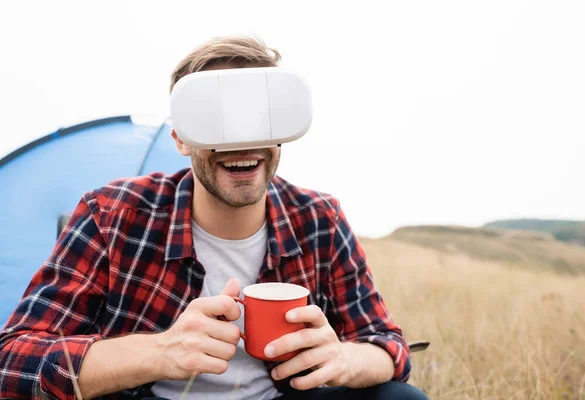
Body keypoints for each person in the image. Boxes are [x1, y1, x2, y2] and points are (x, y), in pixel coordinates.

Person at [0, 35, 428, 400]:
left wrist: (343, 358)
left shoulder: (319, 218)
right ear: (181, 140)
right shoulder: (112, 215)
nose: (241, 144)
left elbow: (390, 347)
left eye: (259, 120)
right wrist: (160, 353)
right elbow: (13, 361)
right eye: (215, 123)